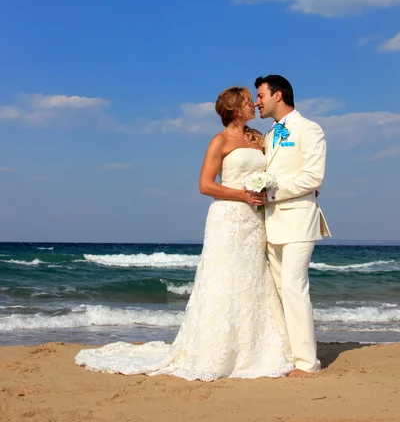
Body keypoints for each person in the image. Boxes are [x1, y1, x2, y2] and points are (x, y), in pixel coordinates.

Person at [76, 87, 293, 380]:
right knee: (222, 280)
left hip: (254, 223)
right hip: (228, 219)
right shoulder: (220, 141)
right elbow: (205, 185)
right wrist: (242, 195)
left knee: (252, 279)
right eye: (246, 100)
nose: (253, 104)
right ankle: (217, 350)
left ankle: (256, 349)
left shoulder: (258, 138)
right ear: (234, 107)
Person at [254, 75, 331, 377]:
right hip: (272, 224)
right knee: (280, 291)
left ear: (278, 95)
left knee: (294, 288)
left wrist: (271, 189)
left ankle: (307, 363)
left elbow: (313, 177)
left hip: (298, 219)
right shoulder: (269, 133)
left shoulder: (310, 129)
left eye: (260, 95)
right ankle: (289, 353)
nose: (256, 102)